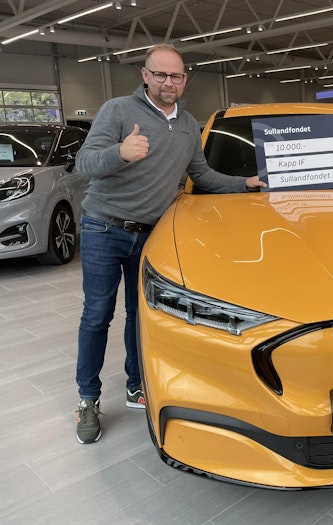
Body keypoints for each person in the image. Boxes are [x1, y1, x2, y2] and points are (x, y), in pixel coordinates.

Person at [74, 43, 266, 444]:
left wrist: (245, 183)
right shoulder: (117, 111)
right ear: (145, 75)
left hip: (151, 232)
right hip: (104, 228)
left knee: (138, 314)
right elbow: (85, 163)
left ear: (184, 79)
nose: (168, 82)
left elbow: (203, 175)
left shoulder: (189, 125)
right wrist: (120, 153)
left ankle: (135, 384)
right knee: (97, 315)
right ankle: (88, 399)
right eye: (160, 74)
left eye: (175, 76)